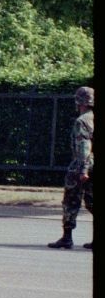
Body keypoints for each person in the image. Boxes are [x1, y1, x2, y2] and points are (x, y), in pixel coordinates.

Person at [47, 86, 93, 250]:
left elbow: (83, 147)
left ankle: (67, 238)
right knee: (91, 202)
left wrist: (83, 169)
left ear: (79, 102)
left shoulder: (82, 121)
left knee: (71, 201)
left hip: (82, 165)